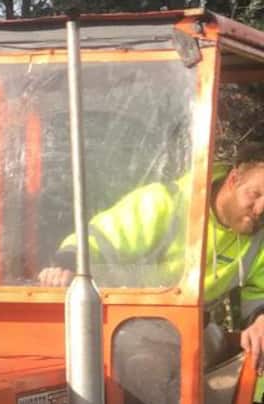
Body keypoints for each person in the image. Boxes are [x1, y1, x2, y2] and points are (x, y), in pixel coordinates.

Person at [38, 144, 264, 373]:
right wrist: (67, 267)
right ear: (233, 180)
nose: (260, 209)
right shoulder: (168, 204)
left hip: (186, 333)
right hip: (120, 324)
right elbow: (103, 237)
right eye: (255, 194)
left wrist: (261, 319)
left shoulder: (258, 241)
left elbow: (260, 294)